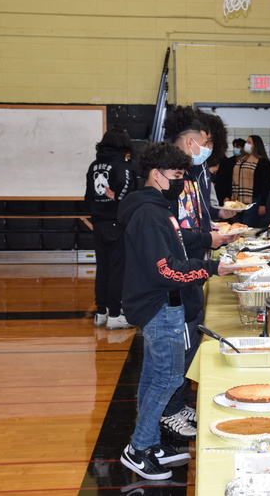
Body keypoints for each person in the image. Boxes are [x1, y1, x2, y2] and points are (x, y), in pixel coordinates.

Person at [116, 142, 237, 480]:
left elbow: (176, 244)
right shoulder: (150, 214)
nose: (181, 183)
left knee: (154, 377)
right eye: (177, 176)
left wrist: (206, 244)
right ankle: (138, 450)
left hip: (160, 301)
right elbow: (165, 270)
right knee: (168, 378)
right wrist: (209, 268)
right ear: (156, 175)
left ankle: (150, 440)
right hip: (161, 303)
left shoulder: (158, 207)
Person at [160, 106, 232, 440]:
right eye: (204, 142)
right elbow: (173, 233)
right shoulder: (170, 178)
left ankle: (178, 401)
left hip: (193, 266)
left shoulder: (188, 174)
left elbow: (193, 219)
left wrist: (210, 228)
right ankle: (169, 410)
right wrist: (208, 237)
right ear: (190, 142)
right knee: (178, 344)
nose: (207, 149)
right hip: (177, 270)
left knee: (189, 339)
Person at [84, 127, 136, 330]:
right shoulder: (121, 165)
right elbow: (125, 188)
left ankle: (101, 313)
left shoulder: (94, 165)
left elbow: (89, 194)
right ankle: (115, 314)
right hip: (116, 222)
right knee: (117, 270)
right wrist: (120, 199)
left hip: (98, 222)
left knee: (103, 268)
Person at [231, 134, 270, 227]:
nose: (246, 144)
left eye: (249, 142)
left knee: (248, 229)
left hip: (253, 201)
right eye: (246, 142)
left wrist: (262, 204)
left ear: (256, 145)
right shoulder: (241, 160)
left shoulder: (262, 162)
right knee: (237, 228)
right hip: (238, 201)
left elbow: (266, 184)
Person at [215, 138, 245, 205]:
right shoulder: (228, 161)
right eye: (234, 146)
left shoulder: (247, 163)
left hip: (240, 194)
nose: (235, 148)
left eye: (237, 147)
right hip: (223, 193)